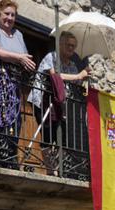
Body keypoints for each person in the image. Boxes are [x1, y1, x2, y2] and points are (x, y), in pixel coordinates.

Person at [29, 31, 90, 174]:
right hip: (43, 100)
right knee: (48, 134)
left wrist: (84, 78)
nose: (71, 48)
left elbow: (76, 83)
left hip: (60, 105)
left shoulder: (73, 65)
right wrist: (78, 75)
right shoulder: (51, 57)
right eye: (68, 45)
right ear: (60, 44)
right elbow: (55, 76)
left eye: (73, 46)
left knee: (63, 137)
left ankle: (58, 169)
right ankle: (51, 170)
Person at [0, 0, 36, 167]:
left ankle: (10, 156)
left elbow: (25, 55)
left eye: (13, 15)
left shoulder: (18, 34)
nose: (10, 18)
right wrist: (18, 58)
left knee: (14, 120)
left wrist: (25, 62)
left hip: (14, 84)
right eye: (6, 14)